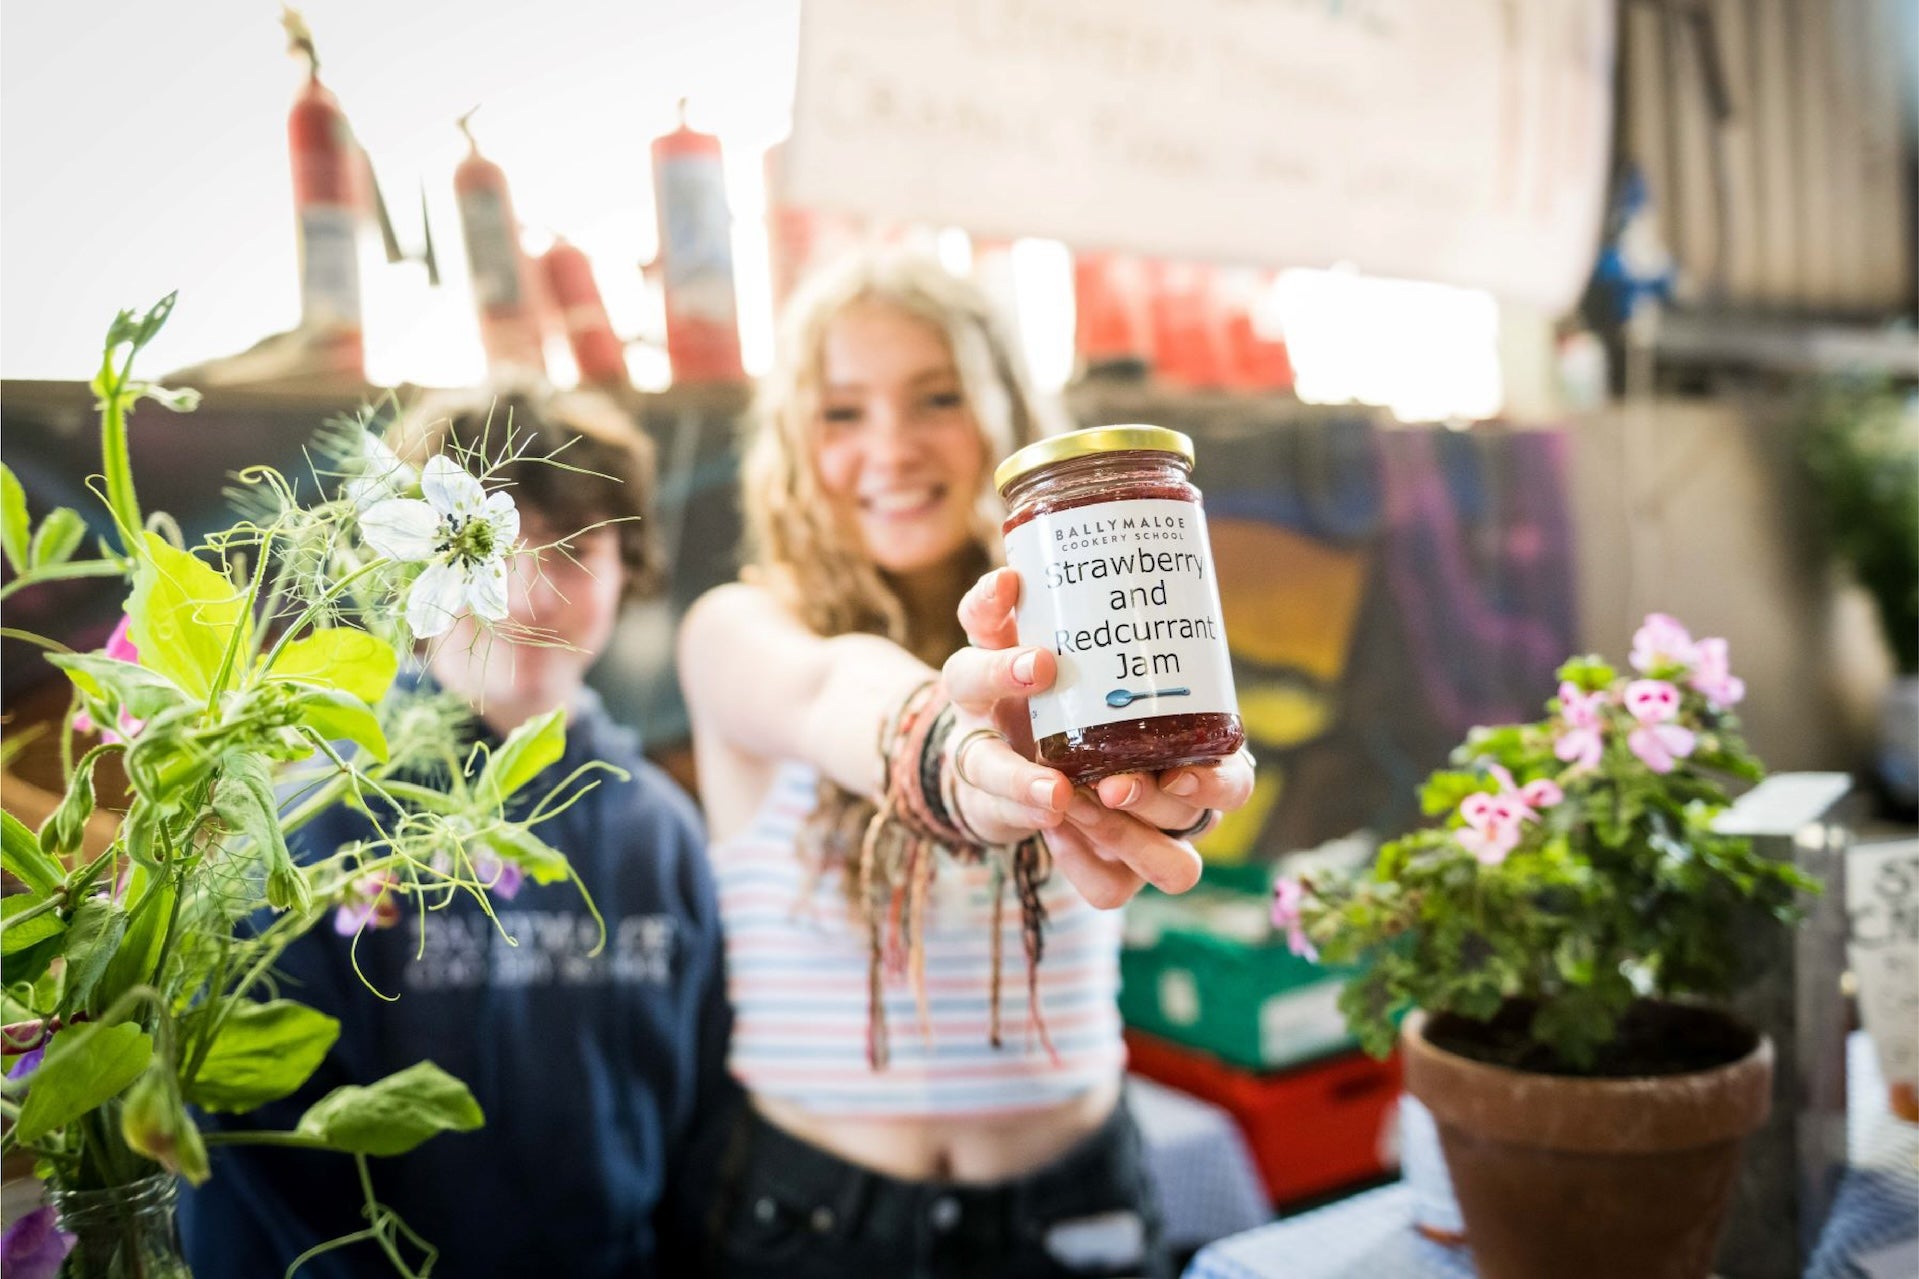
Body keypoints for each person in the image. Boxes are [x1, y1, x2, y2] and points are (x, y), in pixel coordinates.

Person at [678, 249, 1255, 1279]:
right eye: (841, 412)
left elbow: (1169, 783)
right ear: (788, 445)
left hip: (1077, 1208)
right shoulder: (737, 627)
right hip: (818, 1222)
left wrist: (1176, 793)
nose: (891, 447)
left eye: (935, 397)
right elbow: (828, 691)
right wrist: (947, 751)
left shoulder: (1086, 641)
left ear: (1003, 414)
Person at [181, 390, 732, 1278]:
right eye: (486, 543)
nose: (522, 590)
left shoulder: (661, 833)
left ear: (633, 566)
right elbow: (251, 1152)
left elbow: (708, 1119)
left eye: (575, 548)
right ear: (403, 560)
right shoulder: (311, 821)